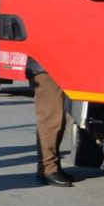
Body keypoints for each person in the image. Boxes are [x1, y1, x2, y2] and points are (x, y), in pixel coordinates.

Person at [26, 59, 74, 187]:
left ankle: (52, 167)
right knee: (51, 119)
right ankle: (48, 169)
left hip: (49, 66)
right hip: (45, 66)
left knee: (57, 119)